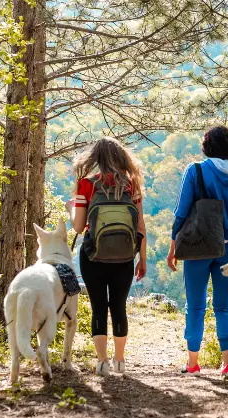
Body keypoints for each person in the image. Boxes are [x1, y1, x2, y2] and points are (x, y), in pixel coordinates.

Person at [167, 126, 228, 378]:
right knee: (224, 306)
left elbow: (181, 212)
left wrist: (173, 245)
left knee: (195, 306)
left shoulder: (196, 170)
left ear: (208, 147)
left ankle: (193, 363)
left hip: (197, 246)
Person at [66, 137, 147, 376]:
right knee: (119, 306)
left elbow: (79, 227)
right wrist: (142, 258)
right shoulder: (131, 184)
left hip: (93, 255)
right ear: (122, 158)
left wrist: (72, 208)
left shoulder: (87, 184)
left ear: (96, 158)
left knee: (98, 307)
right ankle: (120, 360)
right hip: (124, 256)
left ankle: (102, 362)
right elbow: (140, 225)